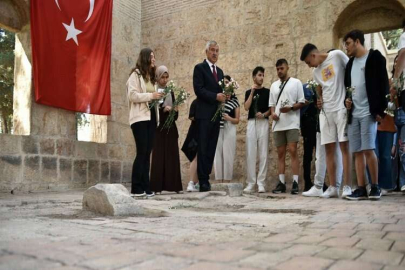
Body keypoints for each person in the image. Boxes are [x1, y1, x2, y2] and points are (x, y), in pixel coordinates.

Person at [300, 43, 352, 198]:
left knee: (344, 147)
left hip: (341, 108)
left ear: (313, 55)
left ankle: (347, 186)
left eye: (309, 62)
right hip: (326, 112)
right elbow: (319, 88)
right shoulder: (316, 72)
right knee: (328, 148)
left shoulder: (337, 55)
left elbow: (350, 73)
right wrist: (320, 100)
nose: (310, 66)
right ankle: (333, 187)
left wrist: (349, 96)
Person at [343, 30, 388, 200]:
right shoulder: (350, 64)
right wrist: (346, 102)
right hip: (353, 114)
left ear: (356, 42)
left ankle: (375, 186)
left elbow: (383, 85)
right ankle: (361, 188)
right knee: (357, 151)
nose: (346, 47)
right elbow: (347, 89)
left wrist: (381, 111)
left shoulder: (375, 58)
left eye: (347, 43)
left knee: (368, 148)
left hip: (369, 112)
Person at [126, 48, 163, 197]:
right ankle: (136, 188)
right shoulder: (135, 75)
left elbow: (151, 97)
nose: (154, 59)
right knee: (141, 152)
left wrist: (158, 97)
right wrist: (151, 95)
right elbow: (132, 95)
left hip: (151, 117)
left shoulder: (151, 78)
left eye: (155, 57)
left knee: (148, 153)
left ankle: (146, 187)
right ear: (146, 58)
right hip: (139, 118)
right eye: (152, 57)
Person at [269, 59, 305, 194]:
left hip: (292, 123)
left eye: (281, 68)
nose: (279, 71)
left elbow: (302, 102)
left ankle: (295, 182)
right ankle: (282, 182)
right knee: (280, 154)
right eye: (277, 69)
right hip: (278, 124)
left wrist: (290, 108)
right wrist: (273, 114)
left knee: (293, 150)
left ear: (287, 67)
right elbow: (272, 104)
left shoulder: (296, 83)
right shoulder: (273, 86)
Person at [193, 41, 225, 192]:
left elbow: (222, 91)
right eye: (212, 50)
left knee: (212, 147)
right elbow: (199, 90)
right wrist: (216, 96)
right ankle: (202, 180)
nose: (214, 53)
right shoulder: (199, 68)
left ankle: (207, 176)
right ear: (206, 52)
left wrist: (226, 95)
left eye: (217, 51)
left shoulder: (220, 72)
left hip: (216, 115)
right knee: (203, 147)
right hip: (204, 114)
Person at [150, 66, 183, 194]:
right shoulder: (155, 91)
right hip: (159, 129)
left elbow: (176, 115)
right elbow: (153, 110)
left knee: (172, 157)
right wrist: (163, 110)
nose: (164, 80)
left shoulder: (170, 92)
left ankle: (174, 186)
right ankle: (156, 187)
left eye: (166, 77)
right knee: (159, 157)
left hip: (170, 129)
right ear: (157, 78)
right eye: (162, 77)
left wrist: (174, 111)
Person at [243, 66, 270, 193]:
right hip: (251, 123)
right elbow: (246, 107)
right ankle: (250, 183)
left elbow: (271, 108)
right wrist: (252, 92)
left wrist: (264, 114)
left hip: (263, 122)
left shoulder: (267, 92)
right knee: (250, 153)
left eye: (263, 75)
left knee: (263, 153)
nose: (262, 77)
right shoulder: (249, 92)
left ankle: (261, 183)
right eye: (259, 75)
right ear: (254, 77)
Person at [214, 75, 240, 182]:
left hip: (230, 127)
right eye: (223, 82)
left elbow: (237, 120)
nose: (225, 84)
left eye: (227, 82)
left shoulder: (235, 100)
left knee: (228, 154)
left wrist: (229, 118)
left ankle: (227, 181)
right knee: (217, 154)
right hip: (218, 128)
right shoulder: (219, 98)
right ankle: (219, 180)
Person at [300, 83, 318, 192]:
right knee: (308, 155)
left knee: (319, 155)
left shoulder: (319, 87)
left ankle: (319, 182)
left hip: (317, 124)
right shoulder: (304, 87)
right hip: (307, 125)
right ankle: (307, 182)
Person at [182, 99, 199, 192]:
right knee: (194, 157)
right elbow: (191, 117)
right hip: (195, 132)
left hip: (203, 133)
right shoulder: (195, 102)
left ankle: (196, 183)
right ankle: (191, 182)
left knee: (200, 157)